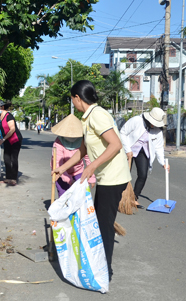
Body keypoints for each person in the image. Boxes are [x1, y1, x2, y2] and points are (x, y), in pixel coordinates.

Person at [52, 80, 131, 282]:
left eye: (73, 100)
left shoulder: (97, 115)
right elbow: (83, 151)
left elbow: (116, 145)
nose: (73, 103)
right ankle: (101, 266)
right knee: (100, 222)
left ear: (78, 98)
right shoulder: (87, 118)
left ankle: (105, 272)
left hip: (113, 177)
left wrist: (92, 166)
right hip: (106, 176)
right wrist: (62, 168)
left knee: (103, 226)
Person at [120, 107, 169, 209]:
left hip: (143, 152)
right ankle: (119, 197)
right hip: (128, 149)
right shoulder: (137, 120)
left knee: (143, 175)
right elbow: (123, 133)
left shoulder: (157, 131)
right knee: (124, 175)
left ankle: (134, 198)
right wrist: (127, 150)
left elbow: (159, 147)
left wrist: (163, 162)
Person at [51, 114, 96, 197]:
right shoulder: (58, 143)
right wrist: (69, 180)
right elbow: (58, 164)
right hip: (61, 173)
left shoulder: (83, 141)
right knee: (63, 194)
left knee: (80, 194)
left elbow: (89, 159)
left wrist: (92, 177)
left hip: (78, 170)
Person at [0, 100, 23, 186]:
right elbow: (0, 130)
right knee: (6, 158)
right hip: (7, 139)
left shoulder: (9, 116)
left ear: (2, 107)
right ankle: (8, 178)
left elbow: (12, 129)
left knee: (13, 159)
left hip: (15, 140)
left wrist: (3, 139)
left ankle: (14, 179)